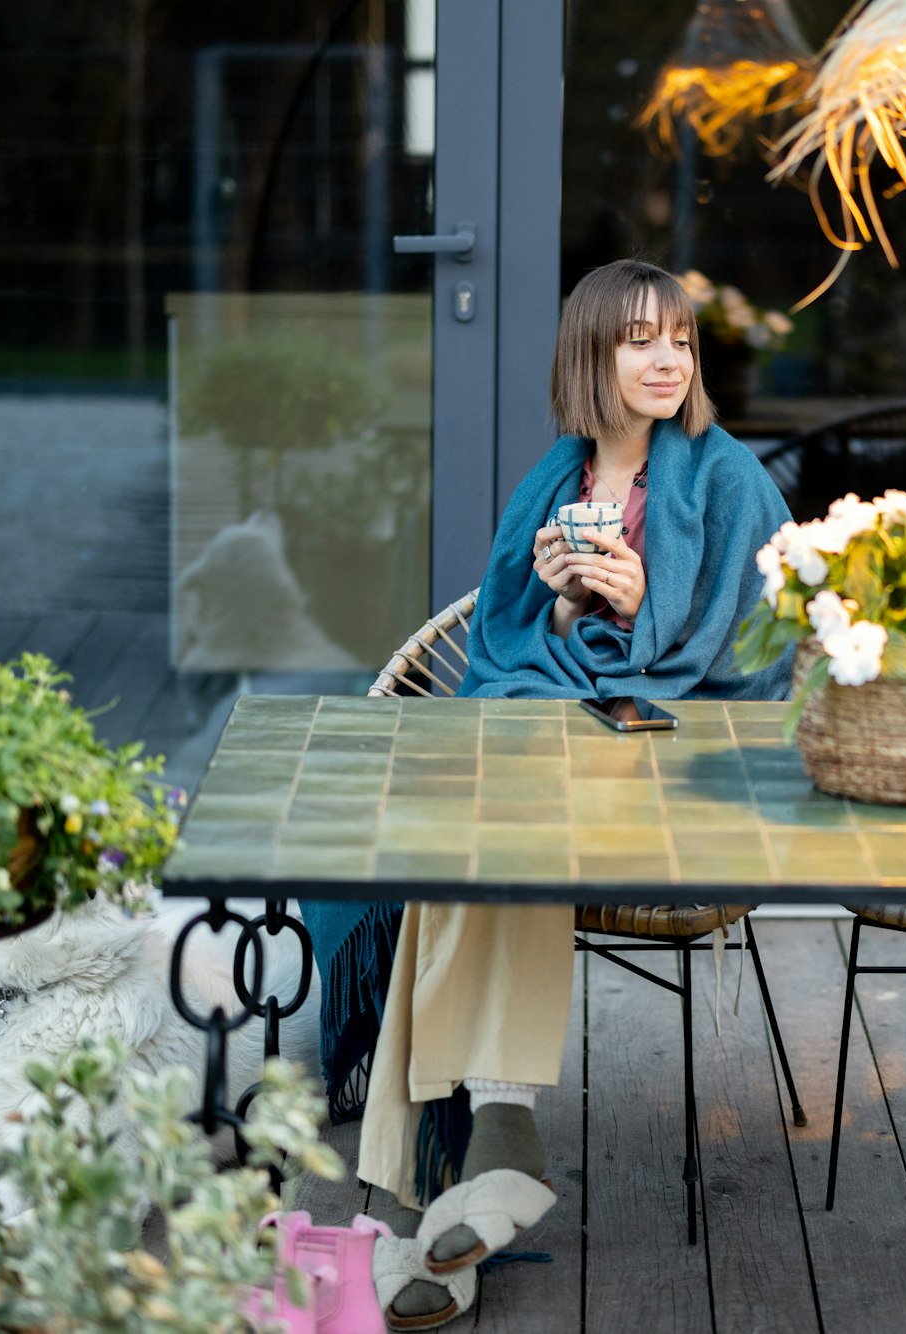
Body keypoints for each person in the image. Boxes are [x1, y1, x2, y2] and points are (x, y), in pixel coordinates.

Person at [301, 259, 792, 1329]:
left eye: (679, 339)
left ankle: (448, 1173)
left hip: (678, 766)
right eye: (638, 339)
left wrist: (643, 611)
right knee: (470, 831)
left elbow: (757, 662)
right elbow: (501, 648)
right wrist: (567, 611)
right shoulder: (550, 480)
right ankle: (483, 1171)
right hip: (549, 739)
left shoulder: (728, 480)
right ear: (590, 354)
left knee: (488, 836)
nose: (666, 358)